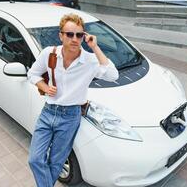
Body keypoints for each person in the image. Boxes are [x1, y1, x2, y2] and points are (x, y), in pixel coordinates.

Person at [27, 13, 119, 187]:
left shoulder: (90, 61)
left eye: (79, 35)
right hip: (48, 112)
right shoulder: (49, 54)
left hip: (70, 117)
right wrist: (45, 88)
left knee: (56, 162)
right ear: (61, 35)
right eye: (70, 34)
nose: (74, 39)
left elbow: (113, 75)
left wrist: (95, 47)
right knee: (34, 159)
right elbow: (32, 74)